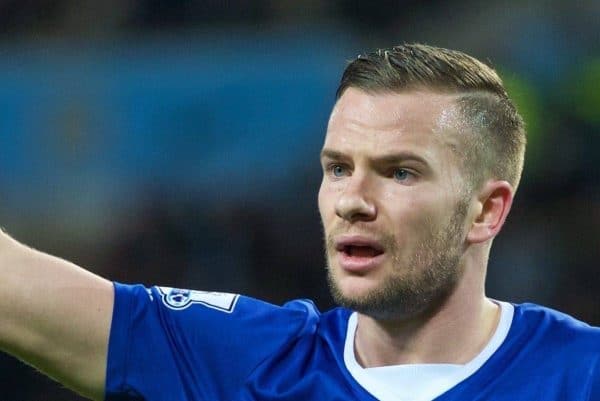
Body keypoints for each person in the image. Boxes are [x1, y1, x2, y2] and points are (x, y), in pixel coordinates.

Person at [0, 43, 598, 401]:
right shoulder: (246, 364)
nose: (352, 201)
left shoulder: (580, 373)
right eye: (338, 168)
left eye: (400, 173)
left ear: (486, 210)